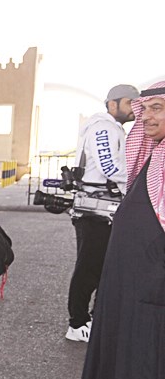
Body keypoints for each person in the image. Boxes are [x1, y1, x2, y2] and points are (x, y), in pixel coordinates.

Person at [73, 82, 165, 379]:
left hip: (153, 280)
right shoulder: (153, 153)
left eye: (159, 109)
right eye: (147, 109)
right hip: (137, 279)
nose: (149, 117)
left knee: (147, 354)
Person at [64, 83, 137, 342]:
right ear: (112, 104)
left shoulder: (112, 128)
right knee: (89, 268)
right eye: (130, 102)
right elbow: (109, 166)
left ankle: (93, 319)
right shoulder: (103, 127)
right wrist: (135, 182)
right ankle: (77, 324)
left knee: (101, 267)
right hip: (95, 210)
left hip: (102, 209)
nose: (134, 108)